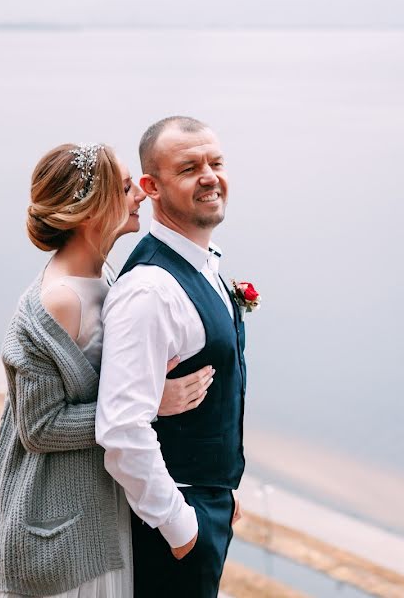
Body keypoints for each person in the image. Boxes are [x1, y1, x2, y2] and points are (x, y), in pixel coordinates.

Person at [0, 142, 214, 598]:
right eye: (125, 188)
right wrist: (152, 403)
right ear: (89, 212)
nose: (139, 194)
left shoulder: (102, 277)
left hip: (94, 513)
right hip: (57, 528)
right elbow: (38, 428)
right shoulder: (59, 301)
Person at [96, 116, 248, 598]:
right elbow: (122, 429)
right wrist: (182, 528)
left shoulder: (205, 264)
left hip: (207, 503)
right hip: (169, 531)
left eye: (216, 162)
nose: (209, 176)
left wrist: (222, 489)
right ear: (151, 187)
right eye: (189, 168)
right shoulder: (150, 291)